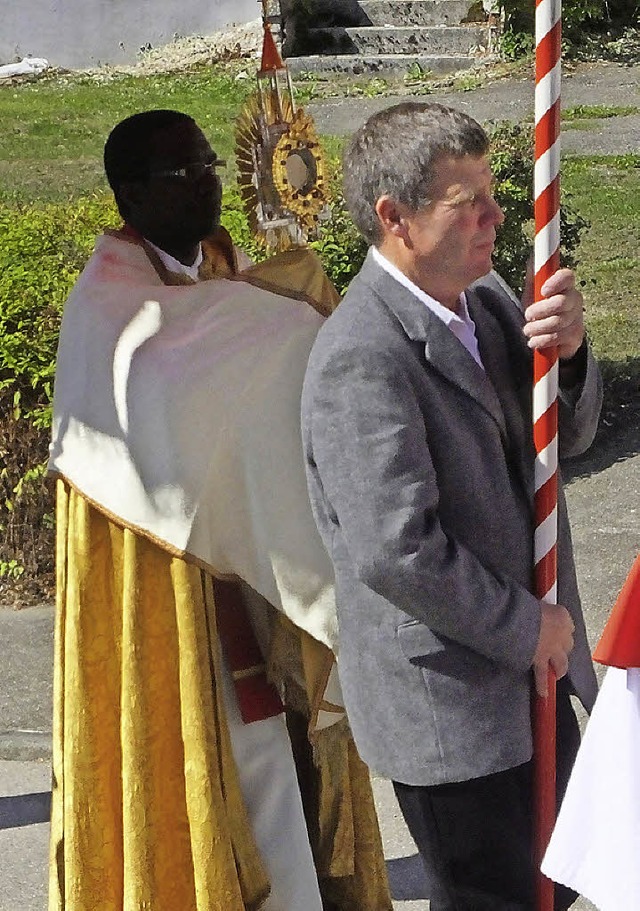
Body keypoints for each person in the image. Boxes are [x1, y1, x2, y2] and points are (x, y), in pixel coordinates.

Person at [48, 110, 391, 911]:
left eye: (208, 162)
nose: (210, 182)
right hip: (173, 590)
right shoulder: (107, 308)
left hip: (261, 566)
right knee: (222, 767)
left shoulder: (231, 271)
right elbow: (173, 409)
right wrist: (285, 311)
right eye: (185, 173)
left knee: (293, 768)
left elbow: (267, 360)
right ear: (130, 193)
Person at [301, 101, 602, 911]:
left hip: (534, 670)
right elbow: (396, 549)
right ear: (394, 217)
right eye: (466, 202)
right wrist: (522, 623)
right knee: (492, 897)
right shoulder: (360, 357)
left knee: (553, 885)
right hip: (453, 702)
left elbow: (562, 443)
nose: (496, 216)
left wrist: (569, 361)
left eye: (493, 193)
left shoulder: (494, 297)